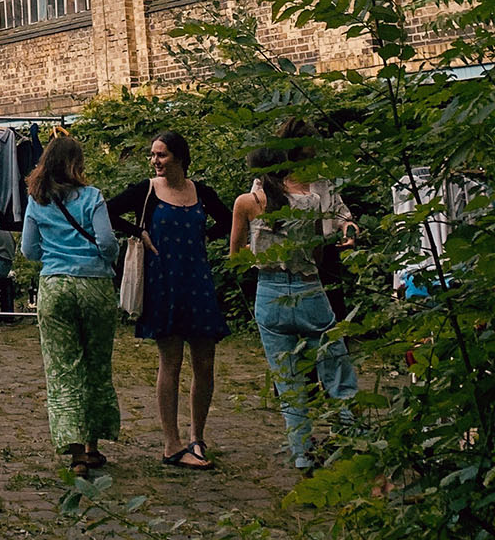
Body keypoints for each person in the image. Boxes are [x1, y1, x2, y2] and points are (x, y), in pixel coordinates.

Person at [230, 144, 359, 472]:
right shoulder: (311, 202)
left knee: (288, 380)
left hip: (269, 296)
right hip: (309, 291)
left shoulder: (245, 203)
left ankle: (302, 454)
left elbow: (236, 258)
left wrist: (259, 249)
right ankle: (352, 441)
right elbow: (315, 255)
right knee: (336, 369)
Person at [108, 131, 231, 471]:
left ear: (179, 156)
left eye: (161, 155)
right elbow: (104, 212)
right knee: (171, 361)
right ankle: (171, 442)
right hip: (164, 283)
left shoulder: (201, 192)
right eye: (153, 155)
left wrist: (204, 239)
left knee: (205, 362)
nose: (155, 161)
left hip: (198, 281)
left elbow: (228, 220)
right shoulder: (145, 191)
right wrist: (137, 232)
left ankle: (198, 436)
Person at [21, 135, 121, 477]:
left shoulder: (38, 201)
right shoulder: (92, 197)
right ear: (76, 163)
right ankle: (93, 446)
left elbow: (29, 251)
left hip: (55, 287)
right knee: (95, 364)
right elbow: (107, 241)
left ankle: (75, 453)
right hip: (94, 286)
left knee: (63, 369)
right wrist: (105, 257)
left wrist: (54, 254)